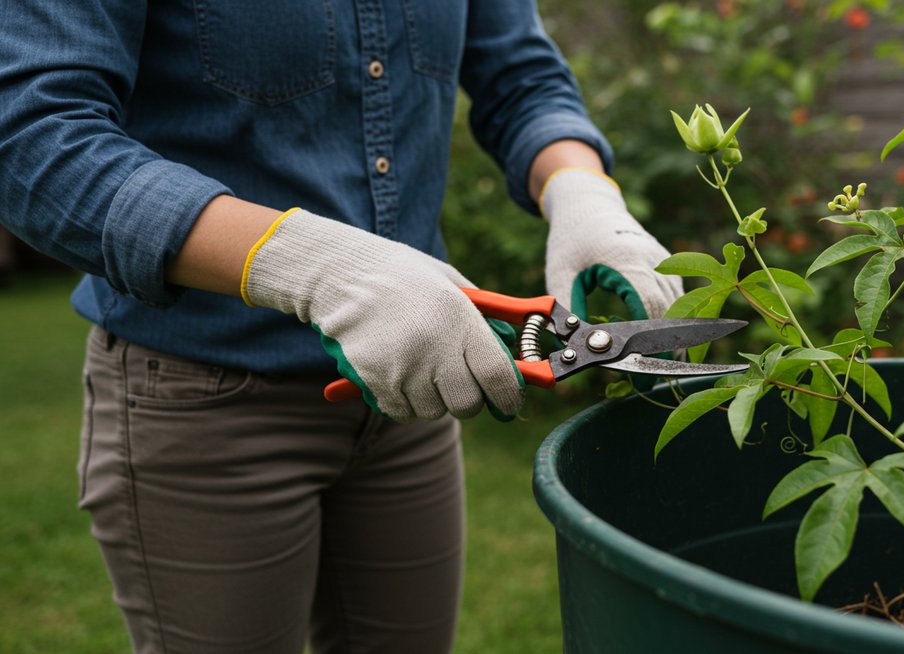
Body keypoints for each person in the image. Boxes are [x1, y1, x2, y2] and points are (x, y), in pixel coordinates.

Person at [0, 2, 683, 653]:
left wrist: (580, 188)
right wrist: (308, 265)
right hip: (204, 404)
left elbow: (521, 75)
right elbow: (32, 139)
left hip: (412, 391)